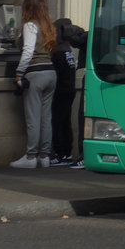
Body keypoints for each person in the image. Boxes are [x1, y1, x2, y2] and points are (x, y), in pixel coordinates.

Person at [10, 0, 59, 168]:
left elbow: (28, 51)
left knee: (33, 118)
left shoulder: (30, 25)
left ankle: (30, 157)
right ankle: (44, 157)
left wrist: (19, 73)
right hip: (51, 73)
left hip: (35, 74)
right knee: (46, 117)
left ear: (28, 8)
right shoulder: (49, 26)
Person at [49, 17, 87, 166]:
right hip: (69, 89)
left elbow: (56, 73)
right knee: (66, 122)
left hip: (60, 90)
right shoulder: (68, 51)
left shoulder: (57, 52)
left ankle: (60, 153)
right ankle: (67, 153)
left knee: (57, 122)